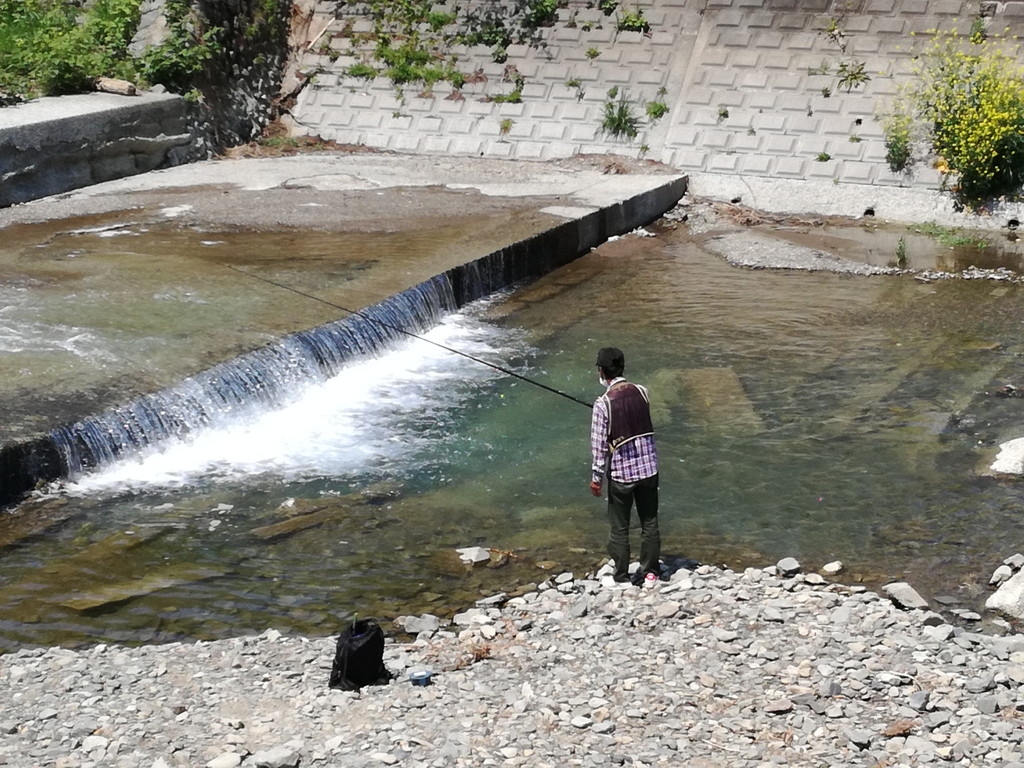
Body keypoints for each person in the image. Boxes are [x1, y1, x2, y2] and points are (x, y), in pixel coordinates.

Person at [589, 347, 664, 586]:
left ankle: (621, 575)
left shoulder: (603, 404)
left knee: (619, 527)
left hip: (622, 476)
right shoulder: (642, 392)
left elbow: (599, 447)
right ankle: (651, 571)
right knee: (649, 521)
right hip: (650, 469)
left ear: (601, 371)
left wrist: (596, 477)